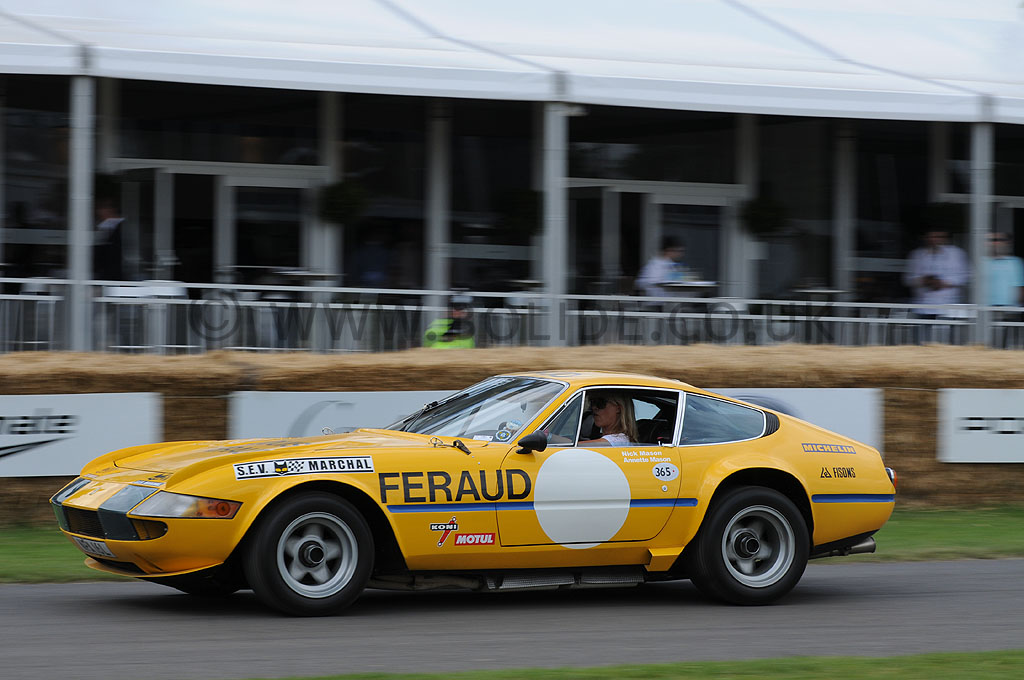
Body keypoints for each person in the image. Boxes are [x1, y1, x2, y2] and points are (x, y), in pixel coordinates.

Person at [903, 229, 969, 342]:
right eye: (931, 237)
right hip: (923, 306)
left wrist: (944, 283)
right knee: (921, 342)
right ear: (925, 238)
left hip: (949, 305)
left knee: (948, 342)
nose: (934, 240)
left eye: (939, 237)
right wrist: (924, 281)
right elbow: (908, 279)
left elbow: (966, 276)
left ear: (946, 238)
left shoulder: (956, 254)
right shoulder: (917, 255)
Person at [986, 232, 1024, 308]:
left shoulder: (1015, 262)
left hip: (1010, 309)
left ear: (1007, 243)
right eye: (992, 240)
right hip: (986, 308)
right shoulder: (981, 262)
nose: (996, 243)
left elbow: (1021, 288)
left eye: (1000, 240)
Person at [94, 199, 125, 281]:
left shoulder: (121, 228)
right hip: (106, 276)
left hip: (115, 276)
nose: (99, 212)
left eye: (102, 208)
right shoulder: (103, 227)